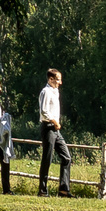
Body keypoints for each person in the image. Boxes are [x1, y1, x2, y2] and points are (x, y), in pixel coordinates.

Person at [35, 67, 72, 196]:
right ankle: (42, 190)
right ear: (50, 79)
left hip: (56, 129)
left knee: (66, 157)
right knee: (47, 159)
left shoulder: (55, 92)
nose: (60, 83)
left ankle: (63, 189)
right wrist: (55, 122)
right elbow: (44, 111)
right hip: (48, 127)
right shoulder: (45, 92)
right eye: (57, 80)